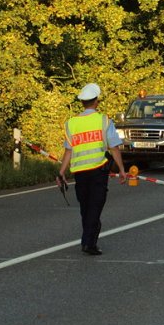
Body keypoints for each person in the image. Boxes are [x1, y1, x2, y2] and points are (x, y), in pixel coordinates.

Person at [56, 83, 127, 255]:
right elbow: (114, 147)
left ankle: (88, 240)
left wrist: (61, 172)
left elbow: (68, 150)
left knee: (86, 208)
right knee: (95, 207)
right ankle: (89, 242)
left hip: (79, 173)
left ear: (82, 102)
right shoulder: (103, 120)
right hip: (97, 171)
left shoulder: (71, 123)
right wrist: (122, 170)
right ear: (96, 101)